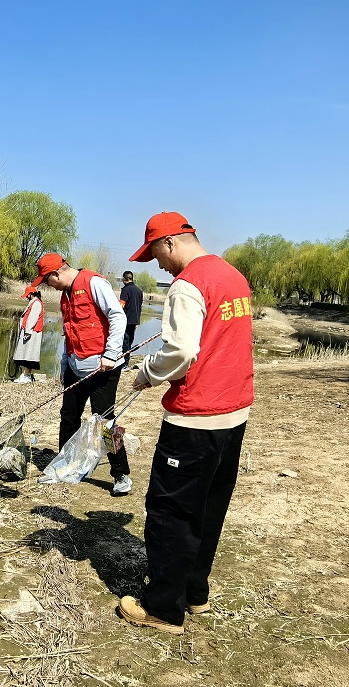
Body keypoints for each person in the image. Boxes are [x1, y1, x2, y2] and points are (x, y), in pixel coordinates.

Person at [117, 212, 254, 635]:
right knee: (210, 505)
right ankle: (194, 591)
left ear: (171, 242)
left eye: (155, 253)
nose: (156, 264)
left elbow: (180, 352)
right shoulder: (233, 276)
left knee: (172, 510)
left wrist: (145, 373)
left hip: (195, 418)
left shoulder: (188, 284)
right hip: (234, 416)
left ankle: (162, 607)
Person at [28, 253, 130, 496]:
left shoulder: (94, 283)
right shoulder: (66, 295)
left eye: (47, 281)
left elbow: (118, 316)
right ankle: (66, 465)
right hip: (75, 367)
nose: (48, 286)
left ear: (57, 274)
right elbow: (69, 332)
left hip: (102, 368)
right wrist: (64, 365)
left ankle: (121, 474)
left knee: (104, 423)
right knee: (68, 416)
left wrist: (111, 353)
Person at [12, 287, 44, 383]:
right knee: (26, 354)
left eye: (27, 295)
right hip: (30, 332)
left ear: (31, 294)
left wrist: (28, 332)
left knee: (29, 356)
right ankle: (25, 375)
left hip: (32, 333)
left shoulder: (36, 303)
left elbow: (32, 318)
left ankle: (26, 376)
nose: (27, 297)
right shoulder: (34, 302)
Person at [119, 271, 144, 355]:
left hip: (126, 319)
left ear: (124, 279)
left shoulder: (126, 289)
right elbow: (140, 306)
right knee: (130, 341)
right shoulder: (139, 291)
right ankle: (126, 361)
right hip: (135, 319)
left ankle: (124, 363)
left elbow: (121, 305)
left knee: (124, 342)